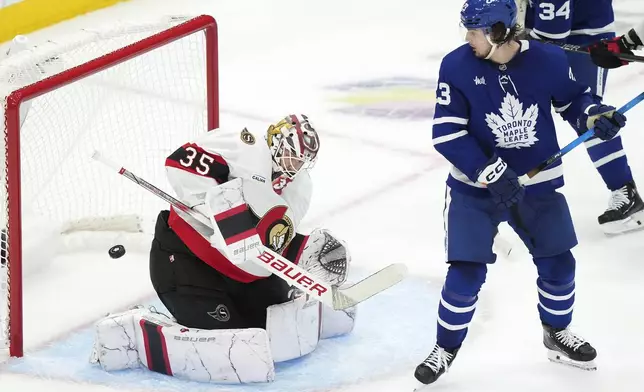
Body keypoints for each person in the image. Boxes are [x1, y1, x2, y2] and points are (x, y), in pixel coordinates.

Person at [414, 0, 627, 386]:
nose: (468, 38)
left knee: (561, 268)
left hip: (537, 183)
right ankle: (445, 348)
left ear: (497, 31)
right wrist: (489, 171)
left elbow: (573, 100)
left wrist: (594, 115)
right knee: (465, 275)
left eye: (475, 31)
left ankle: (556, 332)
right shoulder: (456, 65)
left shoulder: (546, 60)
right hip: (474, 188)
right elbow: (446, 133)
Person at [90, 115, 357, 383]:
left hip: (240, 274)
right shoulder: (243, 148)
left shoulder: (301, 188)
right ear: (276, 140)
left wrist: (305, 252)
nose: (296, 164)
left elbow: (272, 242)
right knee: (233, 347)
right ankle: (135, 327)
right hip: (187, 262)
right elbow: (178, 161)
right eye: (291, 154)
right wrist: (212, 211)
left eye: (302, 160)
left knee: (269, 330)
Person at [523, 0, 643, 234]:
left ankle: (625, 191)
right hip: (538, 27)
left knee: (589, 114)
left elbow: (552, 33)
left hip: (585, 30)